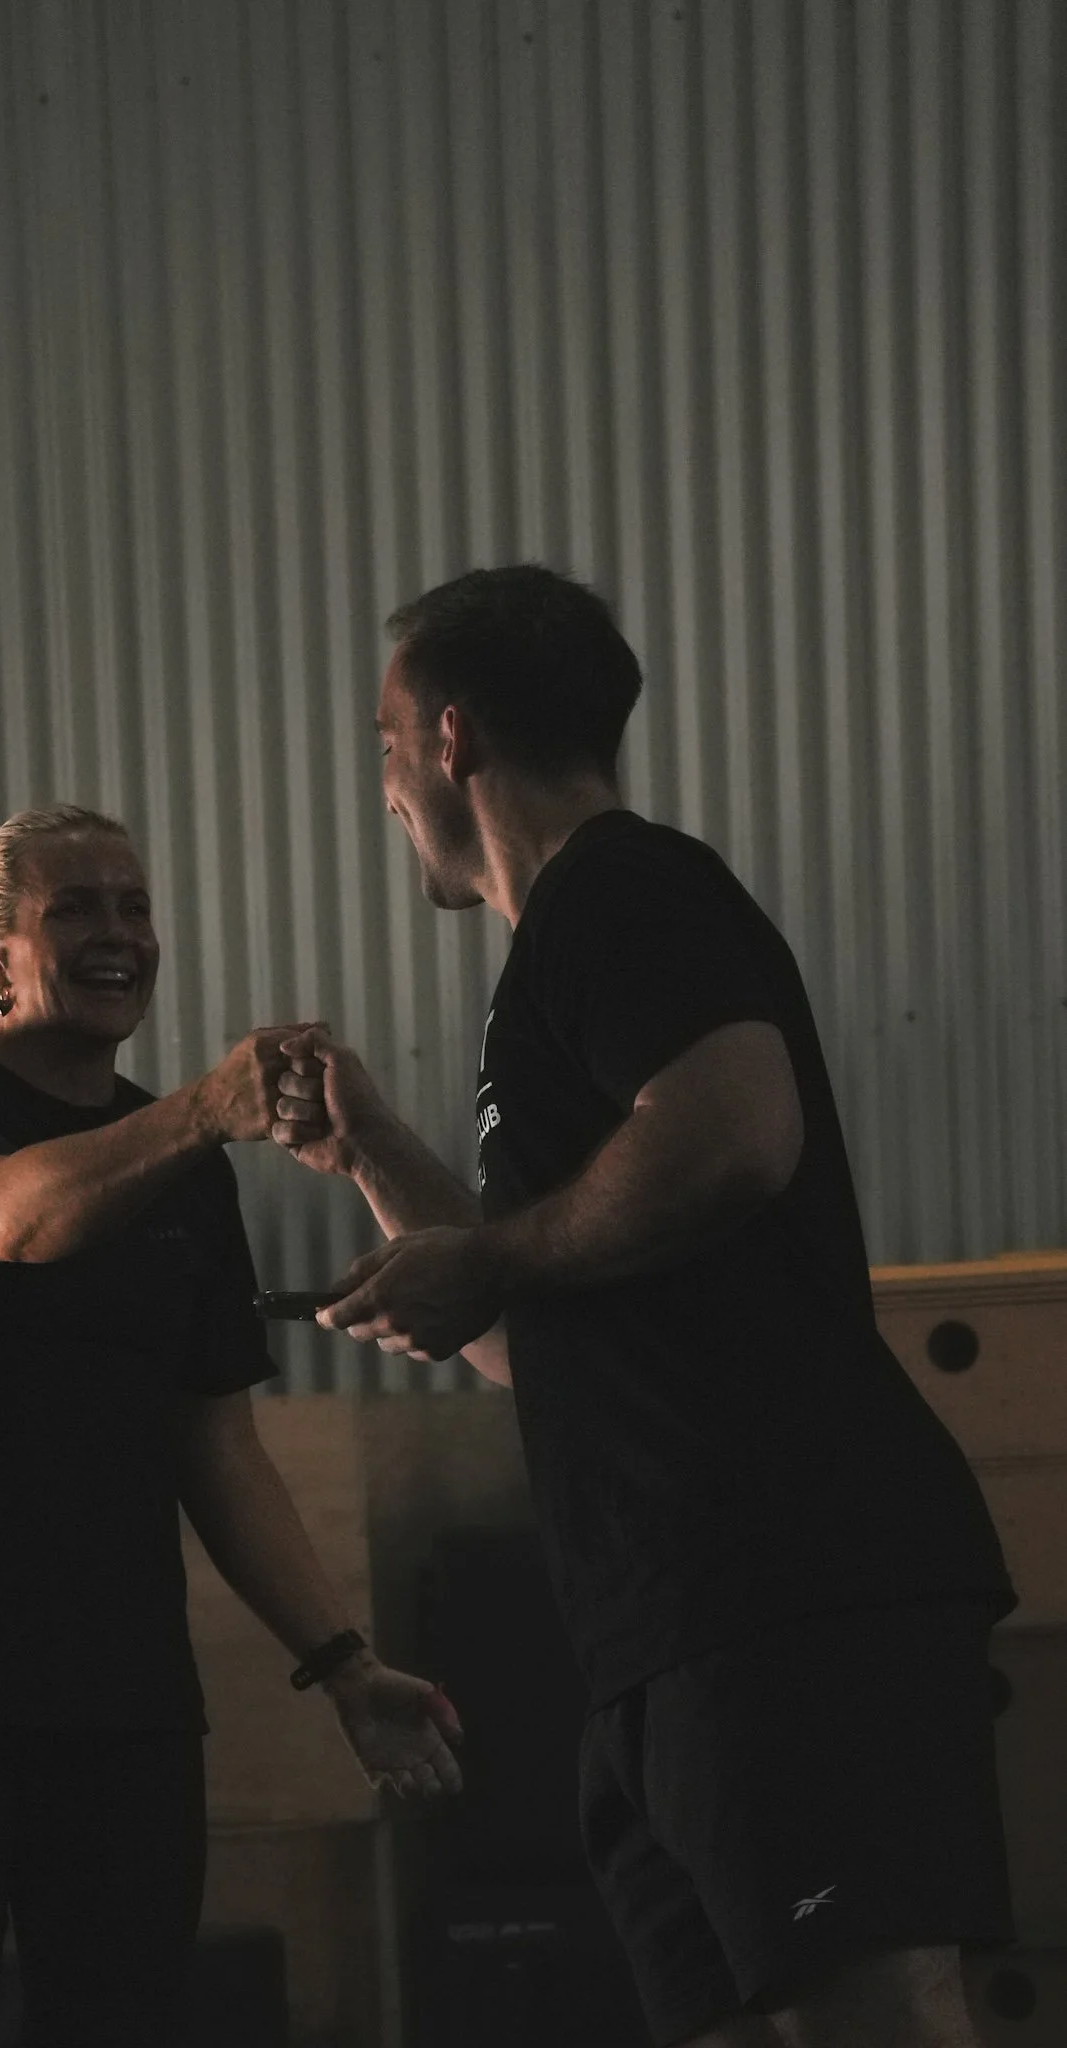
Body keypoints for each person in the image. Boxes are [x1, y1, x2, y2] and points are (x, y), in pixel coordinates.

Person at [270, 567, 1017, 2048]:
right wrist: (368, 1150)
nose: (383, 789)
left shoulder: (624, 888)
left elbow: (738, 1131)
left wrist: (490, 1256)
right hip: (663, 1623)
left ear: (452, 737)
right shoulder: (551, 964)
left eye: (382, 745)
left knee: (868, 2013)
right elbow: (518, 1335)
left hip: (783, 1586)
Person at [0, 803, 463, 2048]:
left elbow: (218, 1447)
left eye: (135, 907)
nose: (119, 935)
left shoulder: (190, 1173)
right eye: (77, 911)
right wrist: (204, 1111)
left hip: (118, 1694)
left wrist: (342, 1661)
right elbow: (3, 1223)